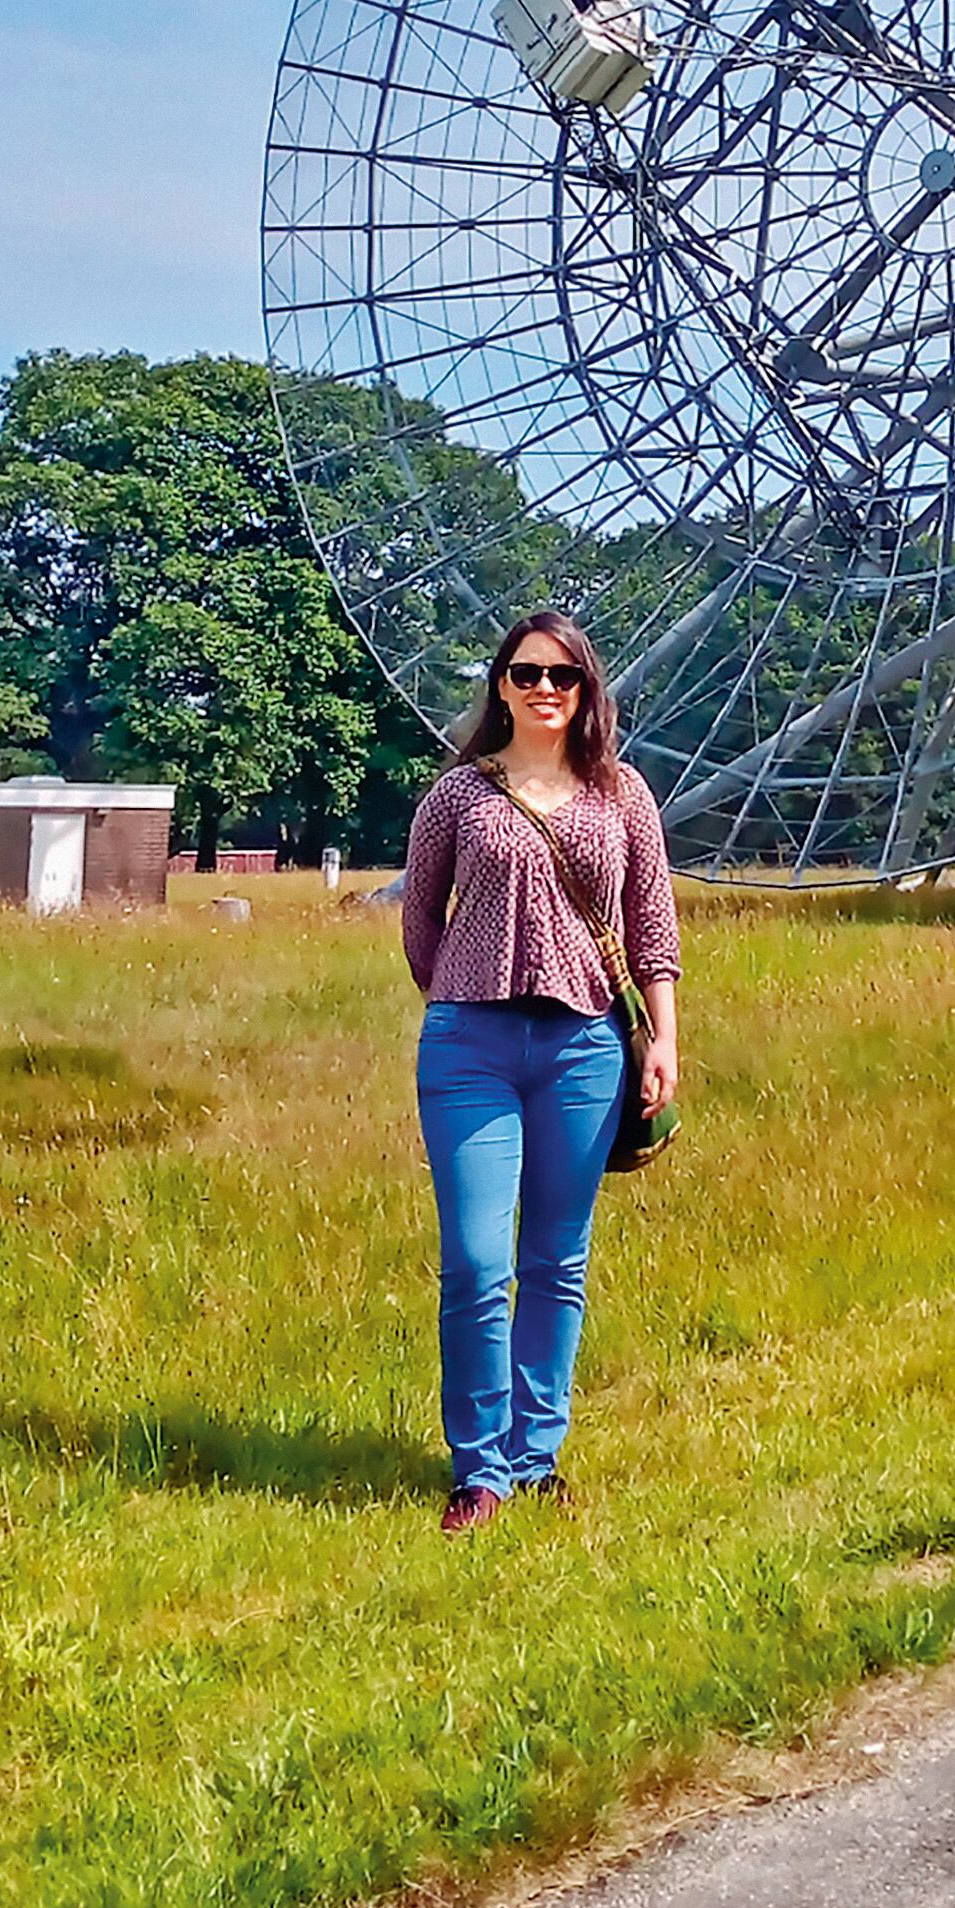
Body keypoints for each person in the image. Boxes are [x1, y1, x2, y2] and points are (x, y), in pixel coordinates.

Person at [401, 609, 680, 1531]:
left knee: (556, 1261)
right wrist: (463, 988)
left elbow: (652, 927)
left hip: (584, 1050)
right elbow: (419, 925)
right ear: (501, 687)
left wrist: (664, 1040)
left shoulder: (622, 794)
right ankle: (477, 1469)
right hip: (470, 1049)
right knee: (478, 1263)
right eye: (527, 675)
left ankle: (534, 1456)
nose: (545, 691)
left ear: (586, 689)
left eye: (563, 677)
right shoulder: (457, 797)